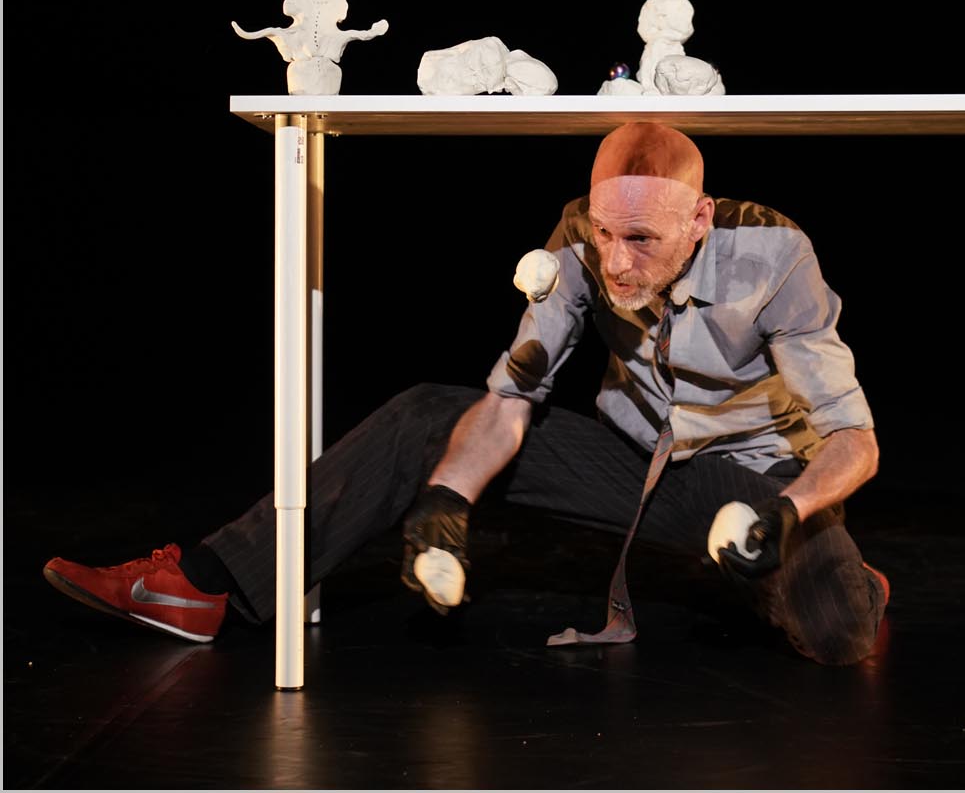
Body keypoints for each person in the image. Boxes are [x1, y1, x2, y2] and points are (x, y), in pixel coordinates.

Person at [44, 123, 890, 665]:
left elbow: (853, 438)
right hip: (632, 459)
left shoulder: (774, 254)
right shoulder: (578, 241)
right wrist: (447, 497)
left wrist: (788, 513)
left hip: (755, 477)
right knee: (425, 415)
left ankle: (847, 576)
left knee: (839, 634)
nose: (615, 260)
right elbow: (514, 393)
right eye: (603, 233)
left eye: (640, 239)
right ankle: (204, 582)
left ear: (699, 219)